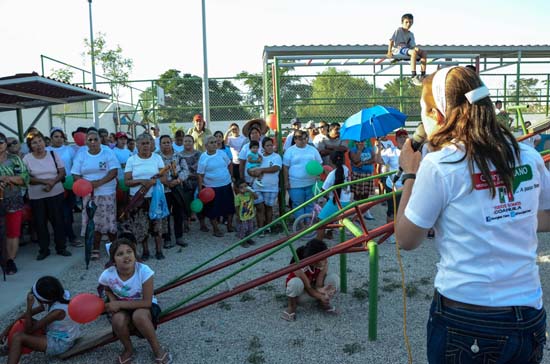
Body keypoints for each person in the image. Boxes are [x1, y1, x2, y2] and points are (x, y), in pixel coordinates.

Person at [394, 66, 550, 363]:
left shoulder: (441, 164)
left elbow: (406, 238)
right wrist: (511, 215)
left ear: (438, 115)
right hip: (527, 315)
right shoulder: (527, 156)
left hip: (465, 319)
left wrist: (409, 175)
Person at [98, 238, 172, 364]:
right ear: (113, 261)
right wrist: (112, 300)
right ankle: (128, 349)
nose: (126, 256)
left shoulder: (144, 271)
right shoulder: (107, 274)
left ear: (134, 254)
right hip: (123, 307)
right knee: (117, 319)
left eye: (129, 251)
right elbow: (106, 288)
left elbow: (147, 302)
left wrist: (118, 304)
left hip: (145, 306)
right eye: (120, 254)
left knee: (139, 316)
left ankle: (157, 349)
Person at [1, 276, 80, 363]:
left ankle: (13, 348)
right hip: (57, 332)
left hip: (62, 343)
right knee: (25, 321)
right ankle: (11, 347)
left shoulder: (58, 311)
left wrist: (29, 306)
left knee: (18, 337)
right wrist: (7, 330)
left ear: (43, 300)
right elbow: (25, 316)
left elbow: (29, 330)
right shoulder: (55, 298)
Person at [71, 129, 120, 261]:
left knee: (110, 222)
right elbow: (75, 173)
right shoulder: (81, 155)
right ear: (86, 141)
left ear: (100, 140)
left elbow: (113, 171)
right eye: (90, 140)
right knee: (93, 222)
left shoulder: (107, 153)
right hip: (89, 194)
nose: (93, 142)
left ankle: (115, 248)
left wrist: (98, 183)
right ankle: (95, 248)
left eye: (95, 139)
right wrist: (84, 184)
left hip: (107, 192)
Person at [23, 130, 71, 260]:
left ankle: (61, 247)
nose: (38, 145)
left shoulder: (53, 154)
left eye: (40, 141)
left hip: (56, 193)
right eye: (34, 143)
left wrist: (52, 183)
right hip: (37, 196)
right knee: (40, 223)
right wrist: (44, 182)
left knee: (58, 221)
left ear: (44, 142)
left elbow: (62, 172)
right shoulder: (27, 159)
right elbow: (26, 177)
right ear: (30, 145)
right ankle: (44, 249)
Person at [122, 133, 168, 260]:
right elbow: (127, 181)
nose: (145, 146)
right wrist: (142, 181)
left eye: (148, 143)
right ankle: (146, 251)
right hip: (138, 198)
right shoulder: (132, 160)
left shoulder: (157, 158)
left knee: (157, 224)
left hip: (155, 198)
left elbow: (164, 177)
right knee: (141, 226)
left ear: (151, 144)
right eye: (142, 143)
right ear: (137, 145)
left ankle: (159, 250)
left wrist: (154, 182)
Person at [281, 239, 339, 321]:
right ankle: (291, 308)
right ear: (313, 260)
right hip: (301, 295)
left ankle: (323, 304)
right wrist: (320, 295)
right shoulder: (299, 266)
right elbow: (308, 288)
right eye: (323, 258)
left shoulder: (324, 263)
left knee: (333, 278)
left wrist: (322, 291)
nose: (326, 260)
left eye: (326, 257)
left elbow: (319, 284)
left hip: (313, 290)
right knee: (295, 283)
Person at [0, 132, 29, 275]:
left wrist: (6, 178)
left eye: (1, 142)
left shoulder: (15, 159)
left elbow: (24, 178)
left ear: (5, 144)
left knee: (13, 232)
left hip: (13, 200)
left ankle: (10, 260)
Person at [48, 127, 81, 248]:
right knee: (59, 212)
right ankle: (66, 236)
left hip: (69, 185)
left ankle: (69, 235)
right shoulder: (47, 151)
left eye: (61, 136)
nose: (59, 139)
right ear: (51, 138)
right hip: (54, 184)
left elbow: (76, 165)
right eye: (56, 137)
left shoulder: (69, 150)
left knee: (68, 211)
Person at [374, 129, 408, 243]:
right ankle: (389, 234)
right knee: (392, 209)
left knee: (404, 210)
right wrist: (378, 149)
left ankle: (401, 232)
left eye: (405, 137)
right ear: (396, 139)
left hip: (407, 184)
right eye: (400, 137)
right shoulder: (390, 151)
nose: (403, 139)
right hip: (392, 183)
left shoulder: (411, 151)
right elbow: (379, 161)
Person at [197, 136, 235, 237]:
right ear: (206, 146)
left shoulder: (222, 153)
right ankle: (216, 229)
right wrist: (201, 189)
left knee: (230, 207)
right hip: (211, 188)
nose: (215, 144)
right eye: (211, 143)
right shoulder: (203, 157)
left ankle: (230, 226)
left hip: (226, 184)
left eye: (215, 142)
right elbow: (200, 174)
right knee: (213, 210)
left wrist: (231, 176)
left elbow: (229, 164)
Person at [157, 135, 189, 248]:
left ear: (172, 143)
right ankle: (167, 238)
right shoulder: (156, 157)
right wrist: (166, 182)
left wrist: (178, 180)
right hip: (163, 190)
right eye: (164, 143)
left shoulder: (179, 155)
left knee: (178, 213)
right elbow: (155, 173)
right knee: (165, 215)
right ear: (160, 145)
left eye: (168, 142)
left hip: (177, 188)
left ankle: (179, 236)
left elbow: (185, 170)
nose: (166, 144)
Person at [283, 130, 323, 219]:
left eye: (306, 138)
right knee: (298, 204)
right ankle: (300, 223)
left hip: (311, 182)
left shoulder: (313, 150)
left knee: (310, 203)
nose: (304, 140)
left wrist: (318, 176)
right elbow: (285, 167)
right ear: (295, 139)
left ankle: (308, 222)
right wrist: (286, 181)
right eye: (301, 139)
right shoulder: (290, 151)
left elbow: (319, 163)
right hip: (295, 183)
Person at [247, 137, 282, 233]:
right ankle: (260, 228)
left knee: (268, 207)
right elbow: (250, 167)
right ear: (263, 147)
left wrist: (261, 170)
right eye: (267, 145)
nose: (270, 147)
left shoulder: (276, 156)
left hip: (271, 187)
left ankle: (268, 226)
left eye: (271, 145)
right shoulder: (258, 157)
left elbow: (276, 168)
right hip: (257, 186)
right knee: (259, 207)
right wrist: (251, 172)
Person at [317, 151, 352, 239]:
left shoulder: (332, 174)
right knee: (333, 218)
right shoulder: (346, 169)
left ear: (331, 161)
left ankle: (318, 242)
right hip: (346, 200)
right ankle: (329, 233)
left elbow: (323, 190)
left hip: (336, 202)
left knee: (321, 221)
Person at [387, 13, 427, 86]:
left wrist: (417, 48)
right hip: (399, 49)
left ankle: (423, 75)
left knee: (423, 52)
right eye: (406, 22)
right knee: (413, 52)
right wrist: (389, 51)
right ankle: (413, 76)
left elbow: (412, 46)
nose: (408, 24)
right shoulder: (398, 30)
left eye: (410, 22)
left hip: (407, 50)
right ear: (402, 22)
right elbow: (391, 41)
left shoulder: (411, 34)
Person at [181, 134, 207, 232]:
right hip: (185, 183)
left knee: (200, 203)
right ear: (183, 143)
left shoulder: (199, 154)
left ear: (193, 142)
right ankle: (186, 224)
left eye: (189, 141)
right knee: (185, 204)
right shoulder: (179, 155)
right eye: (185, 141)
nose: (187, 143)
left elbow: (202, 168)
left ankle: (202, 224)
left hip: (198, 181)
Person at [348, 139, 376, 220]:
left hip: (368, 174)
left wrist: (363, 162)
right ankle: (356, 212)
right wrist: (359, 150)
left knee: (366, 194)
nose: (361, 143)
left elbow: (374, 159)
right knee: (357, 194)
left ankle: (365, 211)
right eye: (359, 142)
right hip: (357, 174)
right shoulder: (353, 150)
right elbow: (356, 160)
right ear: (355, 142)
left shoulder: (369, 149)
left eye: (363, 141)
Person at [234, 179, 257, 247]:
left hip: (250, 215)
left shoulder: (250, 194)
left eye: (245, 186)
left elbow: (256, 197)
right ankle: (243, 240)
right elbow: (237, 207)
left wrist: (250, 191)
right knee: (244, 228)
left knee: (250, 228)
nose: (244, 188)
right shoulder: (238, 197)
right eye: (241, 187)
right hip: (243, 217)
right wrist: (238, 216)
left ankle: (248, 238)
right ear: (238, 189)